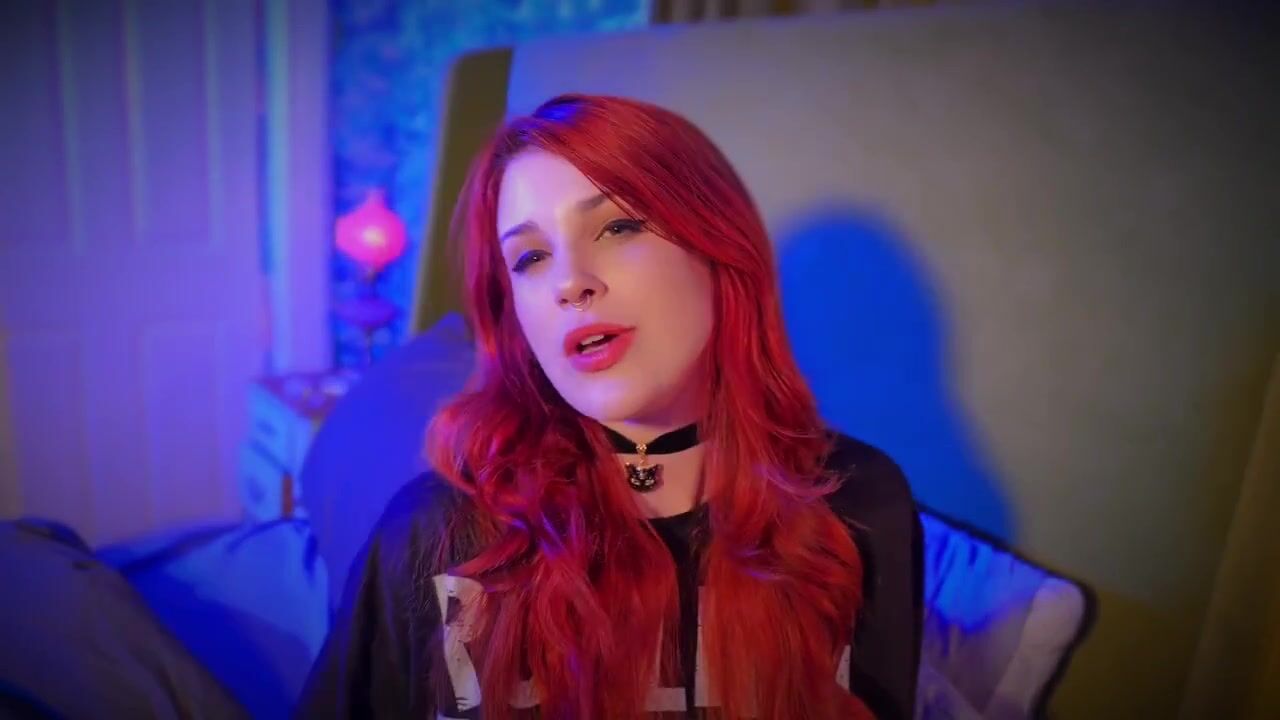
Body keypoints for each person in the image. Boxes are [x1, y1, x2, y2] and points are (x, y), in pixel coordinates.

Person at [296, 94, 922, 720]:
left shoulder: (860, 507)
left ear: (717, 246)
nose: (570, 282)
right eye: (531, 258)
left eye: (618, 227)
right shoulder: (437, 533)